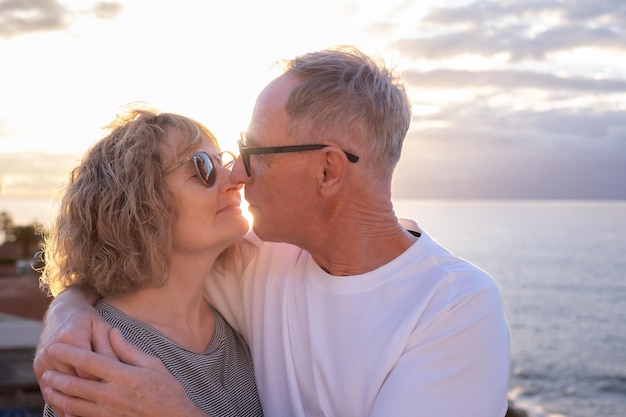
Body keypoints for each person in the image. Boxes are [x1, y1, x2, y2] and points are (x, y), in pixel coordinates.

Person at [35, 46, 511, 417]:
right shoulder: (255, 258)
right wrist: (67, 316)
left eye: (254, 150)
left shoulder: (452, 307)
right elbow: (129, 260)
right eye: (211, 163)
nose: (237, 172)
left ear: (327, 171)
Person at [37, 107, 263, 417]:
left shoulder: (240, 320)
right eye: (203, 166)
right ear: (137, 203)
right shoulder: (101, 359)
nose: (236, 177)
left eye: (221, 159)